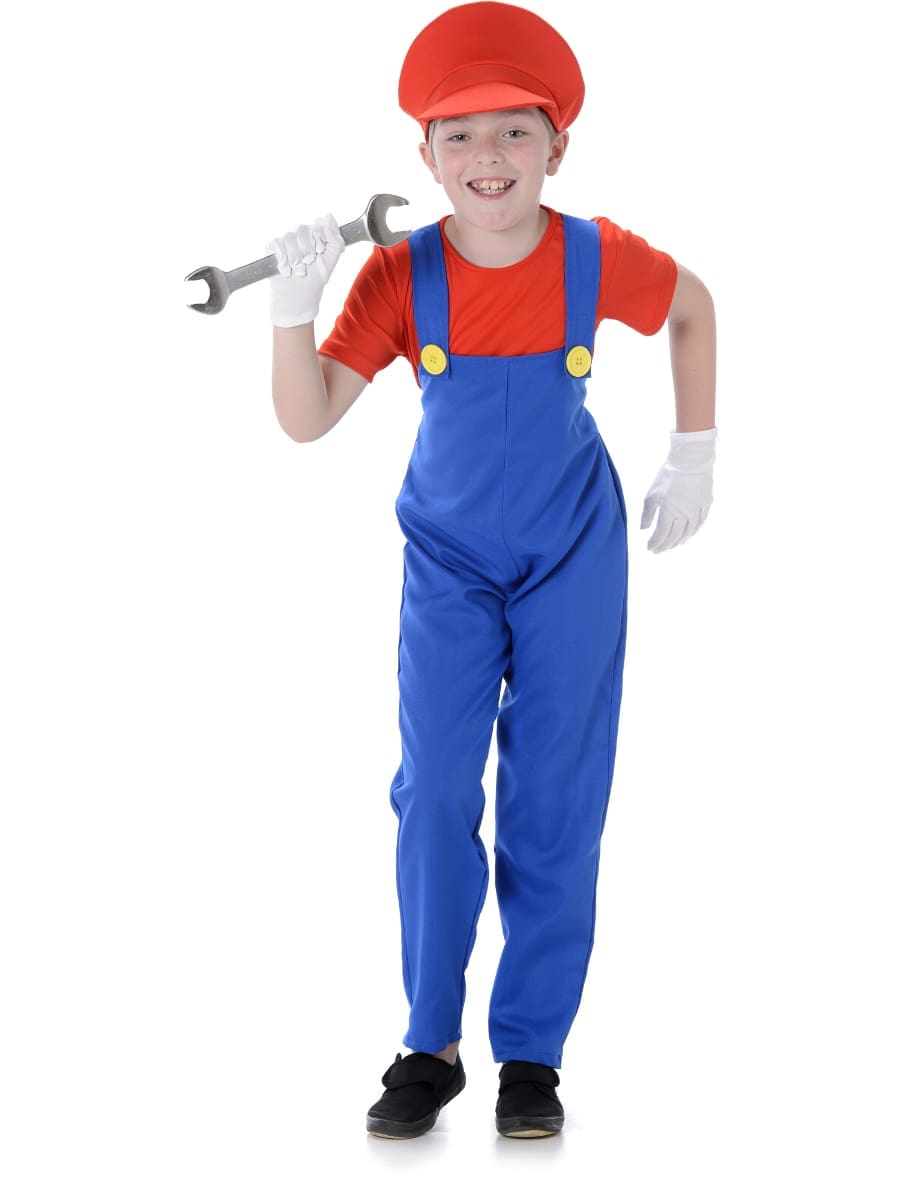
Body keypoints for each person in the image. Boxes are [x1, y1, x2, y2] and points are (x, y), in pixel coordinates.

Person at [266, 0, 717, 1140]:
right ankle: (431, 1042)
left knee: (556, 798)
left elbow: (694, 308)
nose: (488, 155)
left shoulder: (594, 257)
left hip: (572, 553)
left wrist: (695, 451)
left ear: (558, 146)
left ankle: (532, 1055)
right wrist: (290, 313)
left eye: (515, 130)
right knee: (432, 793)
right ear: (424, 155)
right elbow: (309, 419)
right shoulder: (399, 276)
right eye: (458, 134)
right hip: (450, 563)